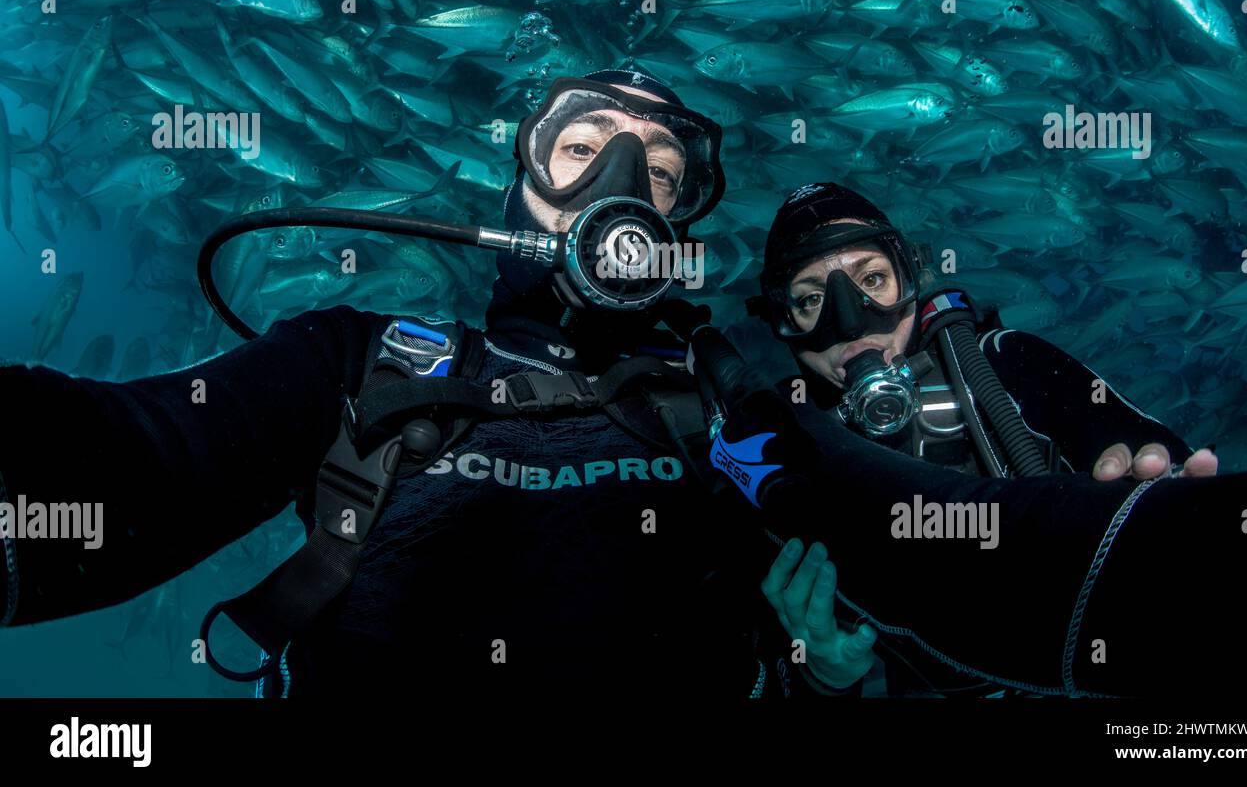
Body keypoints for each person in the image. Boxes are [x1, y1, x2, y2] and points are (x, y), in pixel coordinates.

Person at [0, 69, 806, 698]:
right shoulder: (355, 361)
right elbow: (128, 459)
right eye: (582, 150)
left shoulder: (732, 403)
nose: (621, 185)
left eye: (661, 174)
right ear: (516, 190)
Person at [717, 182, 1247, 697]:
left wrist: (1159, 482)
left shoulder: (1004, 365)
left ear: (911, 282)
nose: (851, 322)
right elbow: (769, 672)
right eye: (810, 299)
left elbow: (1152, 452)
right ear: (780, 323)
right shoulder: (773, 455)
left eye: (872, 280)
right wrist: (829, 672)